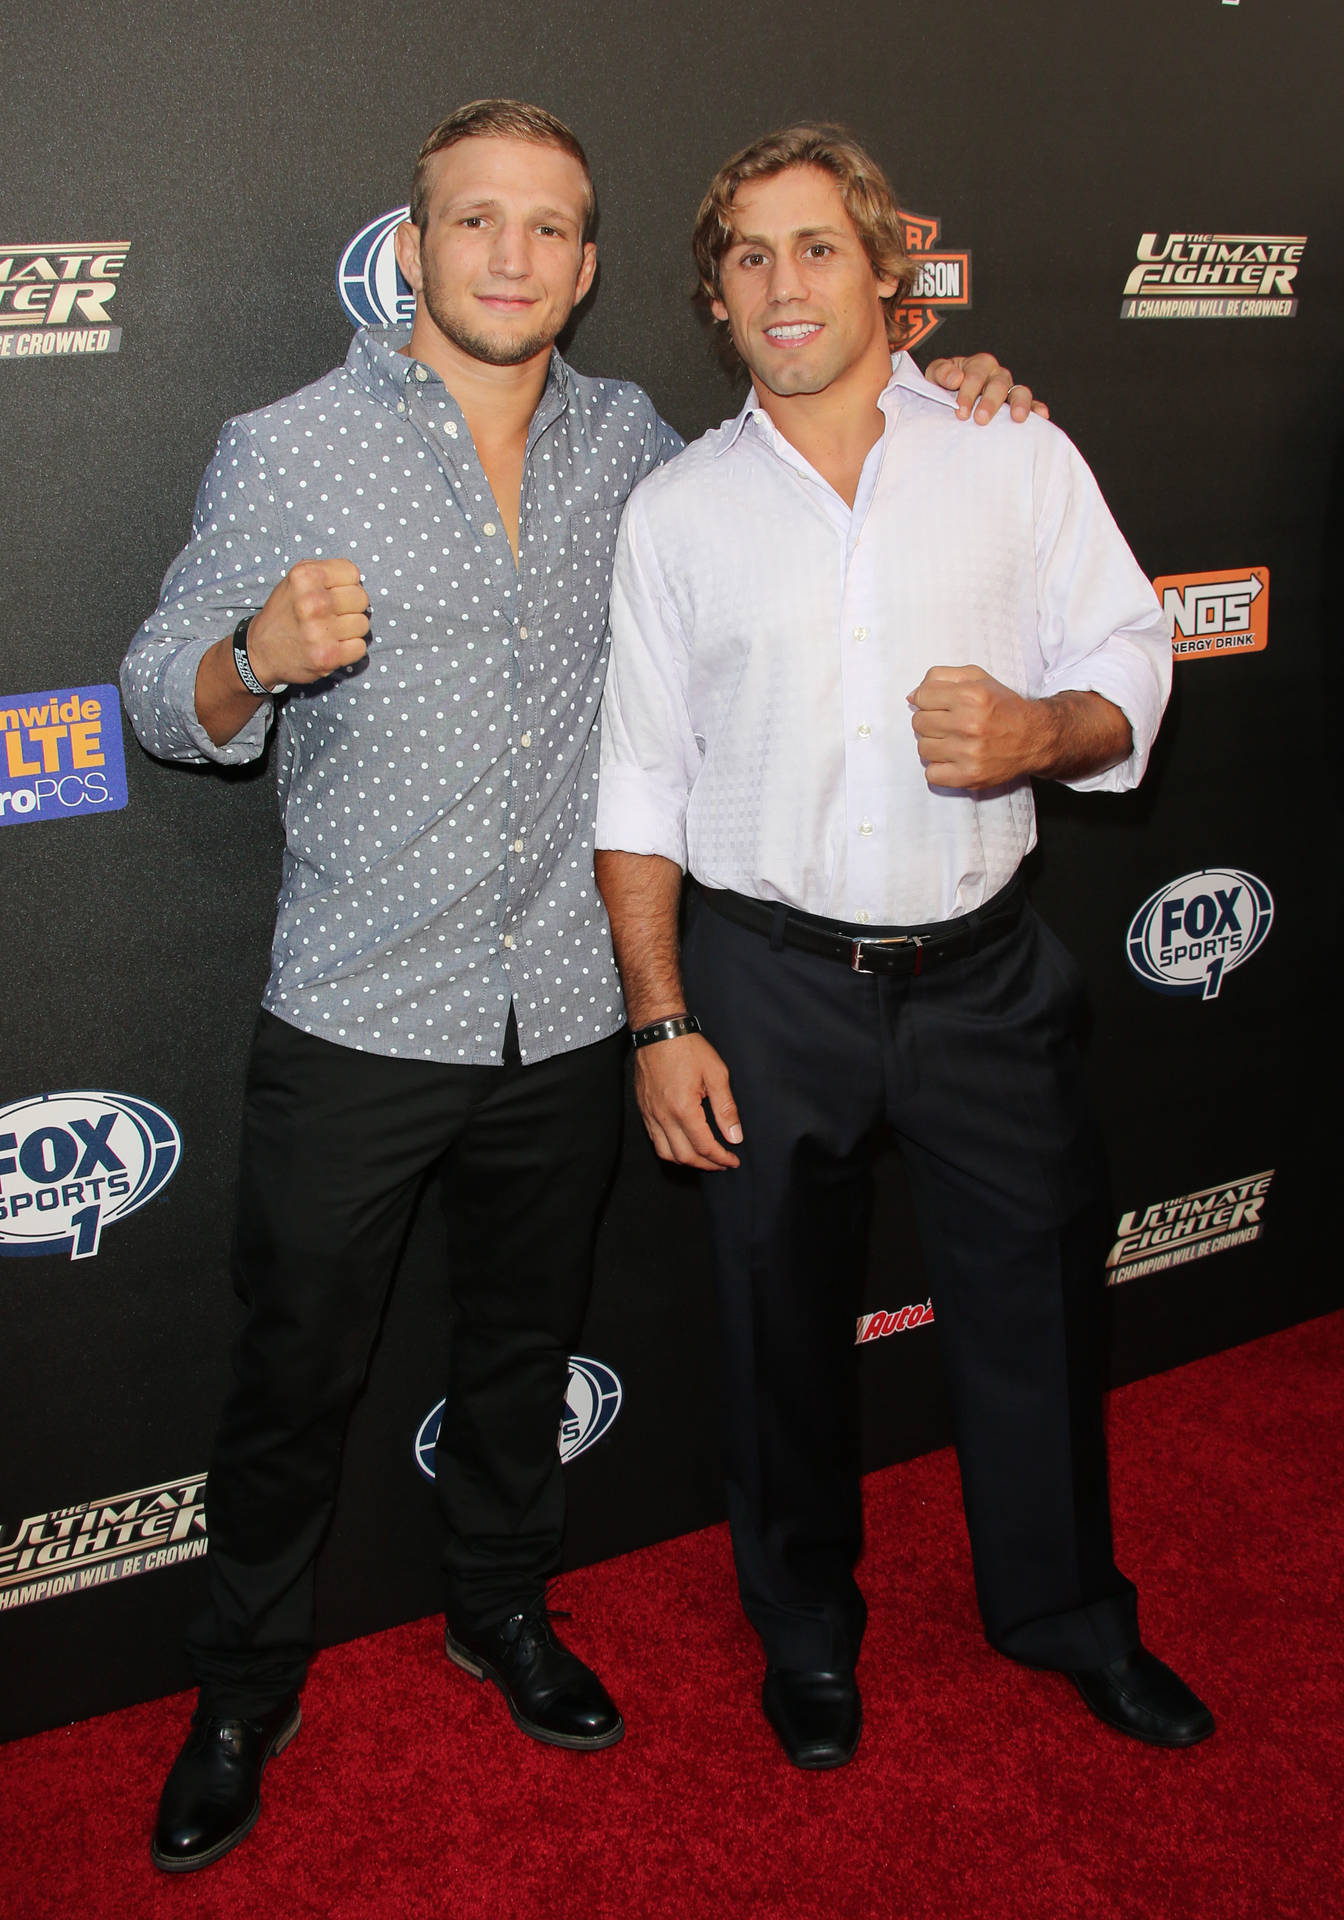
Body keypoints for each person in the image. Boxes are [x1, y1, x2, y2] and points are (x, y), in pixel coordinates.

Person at [121, 99, 1036, 1869]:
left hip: (565, 1005)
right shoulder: (283, 446)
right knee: (293, 1374)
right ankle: (240, 1686)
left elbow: (811, 454)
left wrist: (954, 383)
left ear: (591, 264)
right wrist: (253, 654)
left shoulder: (639, 444)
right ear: (417, 244)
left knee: (522, 1352)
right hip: (358, 1008)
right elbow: (164, 697)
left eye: (550, 229)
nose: (515, 257)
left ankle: (499, 1609)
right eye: (479, 222)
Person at [594, 123, 1213, 1772]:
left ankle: (1069, 1613)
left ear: (887, 272)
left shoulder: (1012, 451)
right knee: (770, 1334)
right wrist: (659, 1018)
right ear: (715, 301)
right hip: (764, 979)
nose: (785, 285)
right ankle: (805, 1636)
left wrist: (1039, 731)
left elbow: (1136, 650)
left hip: (990, 978)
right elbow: (641, 776)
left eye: (816, 248)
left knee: (1038, 1308)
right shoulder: (676, 512)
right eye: (748, 257)